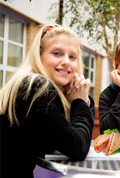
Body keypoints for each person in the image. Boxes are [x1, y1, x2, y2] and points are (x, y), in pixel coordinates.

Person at [0, 24, 95, 178]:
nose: (66, 61)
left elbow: (69, 137)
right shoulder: (35, 88)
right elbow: (78, 148)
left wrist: (83, 102)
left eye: (72, 56)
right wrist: (80, 103)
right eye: (57, 53)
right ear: (40, 55)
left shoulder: (39, 88)